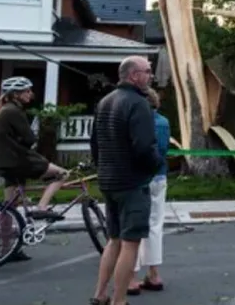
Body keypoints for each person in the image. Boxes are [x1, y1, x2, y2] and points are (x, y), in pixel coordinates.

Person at [89, 56, 164, 305]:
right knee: (131, 243)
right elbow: (144, 147)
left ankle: (100, 294)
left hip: (108, 180)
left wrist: (103, 168)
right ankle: (119, 300)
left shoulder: (105, 102)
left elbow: (95, 145)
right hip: (132, 182)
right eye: (147, 71)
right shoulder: (138, 103)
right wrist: (154, 166)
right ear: (134, 75)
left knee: (114, 240)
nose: (150, 75)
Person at [0, 75, 68, 261]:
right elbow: (29, 139)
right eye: (27, 91)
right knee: (62, 174)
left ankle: (7, 249)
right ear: (16, 94)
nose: (30, 94)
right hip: (20, 160)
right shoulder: (14, 111)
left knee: (9, 206)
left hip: (6, 163)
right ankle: (42, 207)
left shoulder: (4, 110)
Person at [127, 88, 170, 295]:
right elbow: (162, 150)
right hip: (159, 176)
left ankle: (131, 277)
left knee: (132, 226)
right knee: (154, 225)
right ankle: (153, 273)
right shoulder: (163, 122)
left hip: (136, 178)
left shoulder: (134, 122)